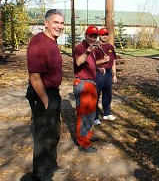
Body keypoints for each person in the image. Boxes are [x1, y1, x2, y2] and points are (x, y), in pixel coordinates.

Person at [25, 9, 68, 180]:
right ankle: (41, 175)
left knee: (54, 134)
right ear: (46, 23)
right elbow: (34, 77)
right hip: (41, 94)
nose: (60, 26)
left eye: (62, 23)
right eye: (56, 22)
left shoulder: (52, 41)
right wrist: (46, 101)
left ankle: (52, 167)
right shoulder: (38, 43)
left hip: (53, 93)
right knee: (43, 137)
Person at [73, 25, 100, 153]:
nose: (93, 39)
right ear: (86, 35)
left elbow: (88, 65)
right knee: (83, 114)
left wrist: (98, 68)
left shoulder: (92, 50)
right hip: (83, 84)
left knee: (91, 114)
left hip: (91, 84)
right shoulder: (80, 47)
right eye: (91, 36)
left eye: (95, 36)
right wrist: (88, 51)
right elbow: (78, 62)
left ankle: (87, 135)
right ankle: (83, 143)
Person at [93, 28, 118, 124]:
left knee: (108, 93)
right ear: (99, 35)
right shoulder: (95, 47)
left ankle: (107, 113)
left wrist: (114, 74)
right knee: (96, 94)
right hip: (98, 73)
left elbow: (113, 61)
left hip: (108, 73)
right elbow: (91, 63)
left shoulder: (110, 47)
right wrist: (103, 61)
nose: (105, 36)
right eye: (103, 34)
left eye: (107, 34)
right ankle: (94, 116)